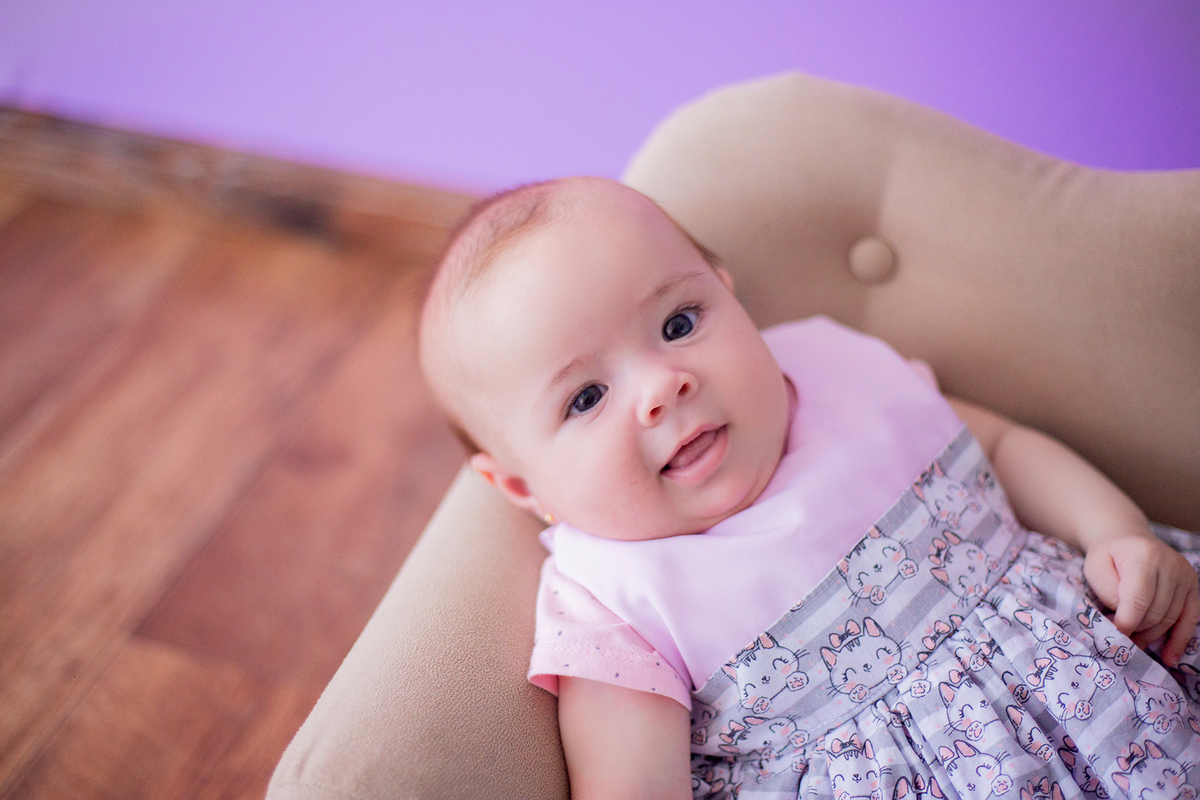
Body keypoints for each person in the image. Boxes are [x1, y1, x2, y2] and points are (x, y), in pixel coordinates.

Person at [417, 176, 1200, 800]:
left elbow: (995, 444)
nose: (663, 386)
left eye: (680, 322)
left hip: (1116, 683)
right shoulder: (614, 596)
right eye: (586, 398)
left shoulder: (835, 368)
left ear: (729, 294)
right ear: (518, 483)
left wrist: (1115, 530)